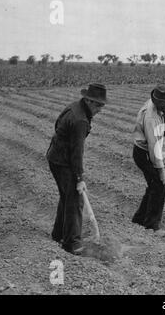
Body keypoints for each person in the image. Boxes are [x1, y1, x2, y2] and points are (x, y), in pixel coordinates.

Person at [46, 83, 107, 255]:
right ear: (88, 101)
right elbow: (77, 152)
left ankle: (59, 235)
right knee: (74, 200)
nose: (101, 109)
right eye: (99, 105)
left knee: (67, 198)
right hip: (64, 161)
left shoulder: (74, 107)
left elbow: (57, 125)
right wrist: (80, 178)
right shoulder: (80, 119)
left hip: (55, 157)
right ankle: (72, 244)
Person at [132, 82, 165, 232]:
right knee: (159, 185)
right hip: (144, 153)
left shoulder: (158, 106)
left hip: (147, 150)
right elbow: (153, 146)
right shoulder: (151, 117)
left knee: (154, 184)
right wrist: (161, 170)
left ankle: (139, 219)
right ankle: (151, 226)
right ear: (159, 103)